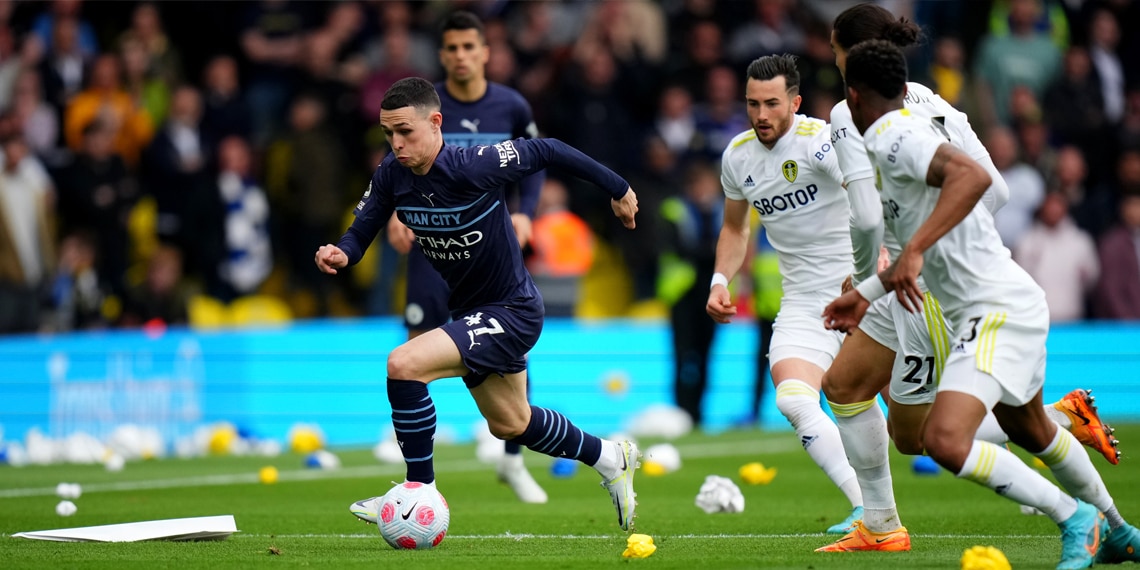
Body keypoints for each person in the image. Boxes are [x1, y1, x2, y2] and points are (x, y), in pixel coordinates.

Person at [817, 3, 1121, 554]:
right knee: (842, 387)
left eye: (833, 48)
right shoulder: (934, 101)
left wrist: (879, 272)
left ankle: (1062, 435)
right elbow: (997, 191)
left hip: (923, 291)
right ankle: (882, 526)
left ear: (846, 56)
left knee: (919, 437)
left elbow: (865, 217)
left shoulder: (851, 112)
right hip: (907, 280)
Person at [315, 77, 641, 531]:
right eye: (389, 133)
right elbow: (363, 226)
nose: (396, 143)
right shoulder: (392, 172)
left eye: (406, 131)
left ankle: (417, 492)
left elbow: (546, 149)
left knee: (404, 363)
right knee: (511, 423)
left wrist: (618, 188)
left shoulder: (475, 165)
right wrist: (343, 252)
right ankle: (610, 457)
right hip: (472, 313)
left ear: (436, 123)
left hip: (513, 309)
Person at [382, 10, 549, 505]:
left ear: (484, 52)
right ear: (442, 55)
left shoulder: (511, 105)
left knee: (506, 337)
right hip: (431, 244)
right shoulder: (422, 104)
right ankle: (417, 461)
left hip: (491, 242)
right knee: (417, 335)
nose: (460, 56)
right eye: (451, 48)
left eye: (468, 47)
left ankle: (513, 457)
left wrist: (527, 214)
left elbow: (536, 159)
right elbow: (397, 169)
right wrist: (394, 211)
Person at [706, 54, 864, 534]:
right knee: (794, 399)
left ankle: (1061, 421)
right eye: (752, 103)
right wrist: (719, 281)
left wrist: (868, 272)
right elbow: (735, 229)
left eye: (772, 103)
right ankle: (866, 509)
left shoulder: (820, 144)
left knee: (919, 431)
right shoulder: (737, 156)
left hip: (862, 293)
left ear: (794, 101)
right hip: (803, 302)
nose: (761, 115)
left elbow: (868, 199)